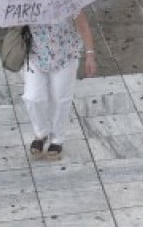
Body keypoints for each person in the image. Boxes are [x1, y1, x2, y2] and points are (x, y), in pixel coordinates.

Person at [24, 10, 97, 160]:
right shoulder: (27, 1)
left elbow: (83, 25)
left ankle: (57, 139)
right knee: (32, 97)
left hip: (66, 56)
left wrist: (90, 55)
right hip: (35, 56)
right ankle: (41, 133)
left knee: (60, 98)